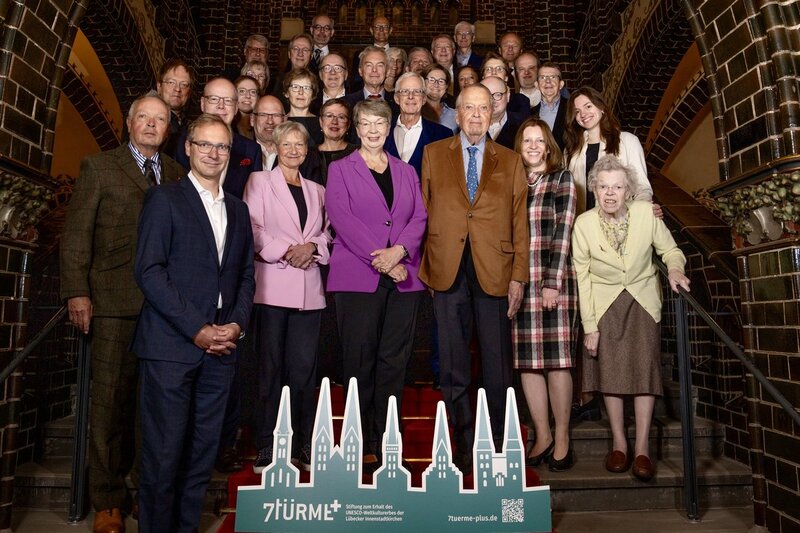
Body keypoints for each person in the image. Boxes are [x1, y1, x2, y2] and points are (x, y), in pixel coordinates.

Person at [60, 93, 183, 533]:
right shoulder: (99, 167)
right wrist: (77, 292)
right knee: (109, 405)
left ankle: (144, 492)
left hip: (164, 310)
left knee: (152, 410)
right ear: (128, 124)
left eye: (159, 119)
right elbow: (77, 234)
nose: (151, 125)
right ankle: (108, 499)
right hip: (112, 304)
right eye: (143, 118)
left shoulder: (176, 173)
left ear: (168, 128)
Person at [133, 113, 255, 532]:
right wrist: (196, 329)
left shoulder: (238, 210)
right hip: (171, 348)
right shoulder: (164, 199)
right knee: (163, 456)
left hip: (221, 350)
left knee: (201, 457)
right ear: (187, 148)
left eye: (222, 146)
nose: (213, 153)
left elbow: (245, 277)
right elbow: (149, 271)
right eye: (204, 144)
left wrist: (236, 325)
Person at [419, 84, 529, 473]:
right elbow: (424, 211)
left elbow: (520, 222)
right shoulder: (433, 154)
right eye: (470, 108)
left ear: (493, 112)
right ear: (458, 113)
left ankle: (497, 444)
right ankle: (463, 443)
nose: (477, 115)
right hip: (447, 269)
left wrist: (518, 276)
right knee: (453, 365)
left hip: (495, 270)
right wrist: (428, 267)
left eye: (484, 108)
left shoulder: (511, 160)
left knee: (497, 364)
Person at [571, 155, 690, 482]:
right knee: (609, 373)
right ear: (594, 189)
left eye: (617, 187)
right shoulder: (583, 225)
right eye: (603, 187)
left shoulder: (645, 214)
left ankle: (642, 448)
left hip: (642, 301)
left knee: (644, 373)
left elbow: (671, 251)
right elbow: (583, 278)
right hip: (604, 304)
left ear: (628, 191)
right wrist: (590, 326)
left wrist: (675, 269)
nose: (610, 193)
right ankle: (619, 444)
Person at [326, 100, 427, 472]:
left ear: (389, 128)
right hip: (358, 277)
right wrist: (383, 259)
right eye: (366, 123)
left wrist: (399, 252)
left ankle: (389, 443)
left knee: (393, 363)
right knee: (360, 362)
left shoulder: (406, 171)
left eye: (379, 123)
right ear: (356, 128)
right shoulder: (340, 169)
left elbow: (420, 216)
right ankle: (362, 442)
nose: (372, 130)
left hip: (403, 279)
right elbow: (342, 218)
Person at [243, 121, 331, 474]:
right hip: (272, 289)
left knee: (304, 372)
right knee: (270, 370)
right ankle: (267, 444)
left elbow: (328, 233)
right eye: (287, 144)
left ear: (307, 151)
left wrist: (312, 247)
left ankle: (303, 443)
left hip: (309, 291)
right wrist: (288, 250)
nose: (294, 150)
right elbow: (253, 228)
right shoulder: (259, 182)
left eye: (299, 145)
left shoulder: (318, 190)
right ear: (276, 147)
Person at [512, 117, 577, 472]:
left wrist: (552, 282)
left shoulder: (561, 179)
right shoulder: (513, 182)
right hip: (520, 281)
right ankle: (543, 434)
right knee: (527, 362)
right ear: (519, 147)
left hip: (553, 279)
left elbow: (564, 230)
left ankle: (563, 436)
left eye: (539, 141)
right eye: (527, 141)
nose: (534, 147)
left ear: (548, 147)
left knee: (557, 361)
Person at [564, 86, 653, 214]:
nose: (583, 114)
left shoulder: (628, 141)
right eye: (577, 111)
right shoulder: (571, 149)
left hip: (619, 218)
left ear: (601, 107)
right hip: (582, 220)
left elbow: (642, 187)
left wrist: (643, 211)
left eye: (588, 106)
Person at [175, 77, 263, 201]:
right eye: (214, 99)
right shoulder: (180, 142)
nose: (221, 106)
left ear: (236, 107)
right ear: (202, 104)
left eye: (228, 101)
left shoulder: (251, 150)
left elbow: (255, 200)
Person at [385, 72, 453, 176]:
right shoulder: (382, 131)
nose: (410, 96)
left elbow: (444, 176)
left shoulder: (443, 135)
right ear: (396, 98)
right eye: (405, 91)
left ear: (424, 99)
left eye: (417, 92)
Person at [252, 95, 322, 183]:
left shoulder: (307, 158)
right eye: (263, 115)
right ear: (252, 119)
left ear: (285, 119)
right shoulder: (241, 151)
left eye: (276, 115)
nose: (270, 121)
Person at [156, 58, 194, 160]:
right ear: (159, 87)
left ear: (189, 92)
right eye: (171, 82)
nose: (177, 89)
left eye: (184, 85)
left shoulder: (191, 126)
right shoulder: (146, 119)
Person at [314, 98, 357, 184]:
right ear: (321, 122)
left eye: (341, 117)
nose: (334, 122)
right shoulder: (307, 154)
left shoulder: (358, 153)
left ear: (348, 124)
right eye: (329, 116)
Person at [480, 75, 527, 149]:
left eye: (497, 95)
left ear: (508, 96)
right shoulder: (468, 126)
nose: (492, 101)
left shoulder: (524, 125)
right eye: (486, 96)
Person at [531, 62, 568, 150]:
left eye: (553, 77)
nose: (548, 81)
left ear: (561, 84)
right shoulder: (529, 114)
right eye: (542, 77)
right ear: (537, 85)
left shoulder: (573, 108)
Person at [283, 68, 324, 147]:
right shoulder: (279, 121)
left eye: (306, 88)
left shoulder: (322, 123)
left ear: (313, 95)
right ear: (286, 93)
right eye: (295, 87)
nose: (301, 92)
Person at [421, 63, 457, 132]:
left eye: (441, 81)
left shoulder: (455, 115)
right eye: (431, 80)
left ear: (446, 86)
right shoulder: (414, 110)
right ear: (423, 83)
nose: (436, 85)